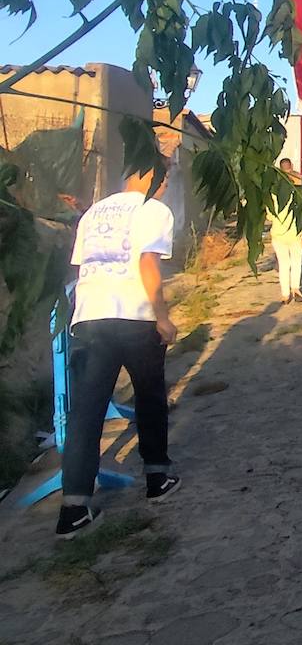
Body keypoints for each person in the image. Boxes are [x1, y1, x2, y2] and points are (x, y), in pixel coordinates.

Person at [58, 162, 181, 538]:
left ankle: (73, 508)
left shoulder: (94, 213)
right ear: (155, 179)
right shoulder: (155, 210)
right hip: (135, 316)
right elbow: (148, 263)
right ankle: (156, 476)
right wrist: (162, 317)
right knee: (149, 395)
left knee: (86, 412)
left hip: (91, 316)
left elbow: (82, 267)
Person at [266, 158, 302, 306]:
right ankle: (296, 289)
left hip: (278, 233)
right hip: (296, 232)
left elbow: (270, 216)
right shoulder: (299, 187)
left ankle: (285, 294)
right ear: (291, 167)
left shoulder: (274, 193)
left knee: (284, 264)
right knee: (296, 262)